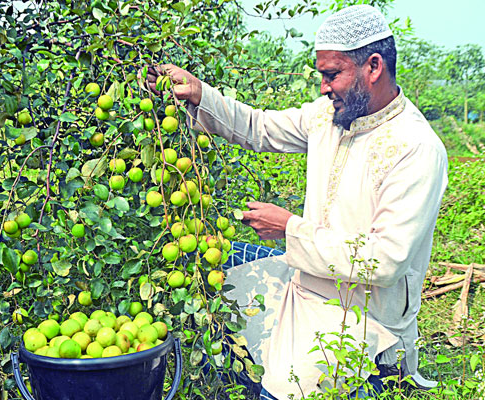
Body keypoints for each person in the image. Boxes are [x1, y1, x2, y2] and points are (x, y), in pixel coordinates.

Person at [145, 4, 448, 399]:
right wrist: (200, 93)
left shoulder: (416, 148)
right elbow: (258, 127)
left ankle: (369, 376)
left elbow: (386, 259)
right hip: (303, 280)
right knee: (215, 261)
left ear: (373, 67)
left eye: (332, 75)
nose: (323, 88)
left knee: (282, 389)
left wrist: (289, 228)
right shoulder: (331, 116)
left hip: (359, 316)